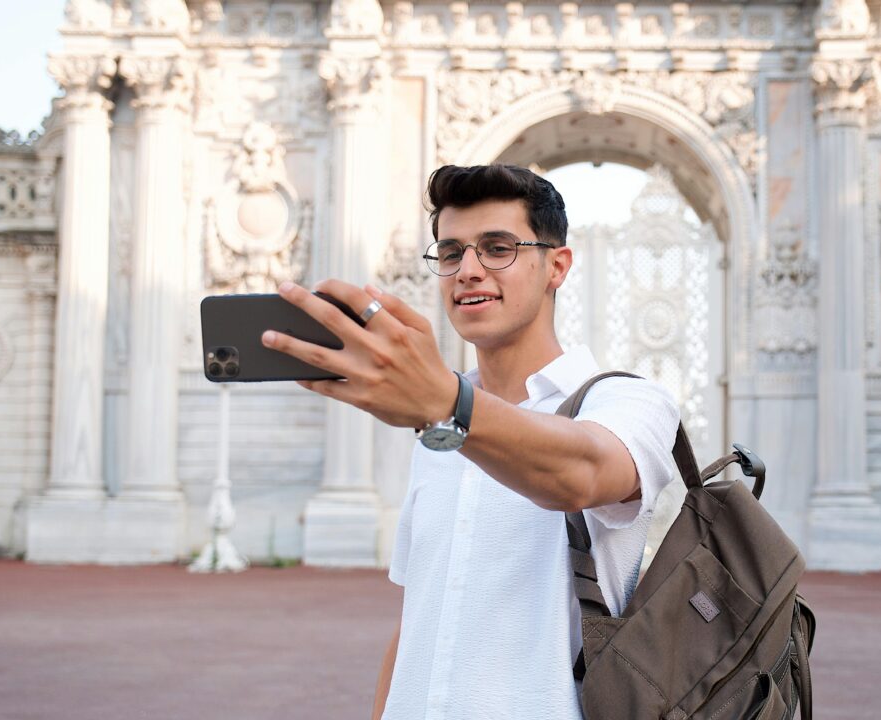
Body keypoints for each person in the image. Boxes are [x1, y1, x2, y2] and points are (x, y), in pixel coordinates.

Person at [262, 164, 680, 719]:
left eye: (498, 248)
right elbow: (418, 614)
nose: (469, 270)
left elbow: (580, 474)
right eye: (452, 253)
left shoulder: (630, 403)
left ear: (557, 266)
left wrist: (447, 405)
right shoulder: (435, 427)